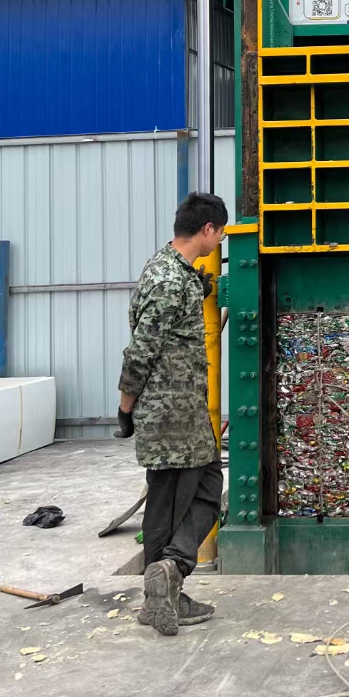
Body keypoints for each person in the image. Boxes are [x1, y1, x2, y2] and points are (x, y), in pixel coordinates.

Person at [116, 191, 228, 636]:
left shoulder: (171, 271)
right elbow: (141, 350)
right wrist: (125, 407)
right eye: (219, 233)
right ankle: (169, 575)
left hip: (183, 414)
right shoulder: (168, 281)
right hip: (171, 416)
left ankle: (164, 584)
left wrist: (201, 286)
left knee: (193, 490)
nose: (220, 241)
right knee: (177, 500)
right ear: (207, 229)